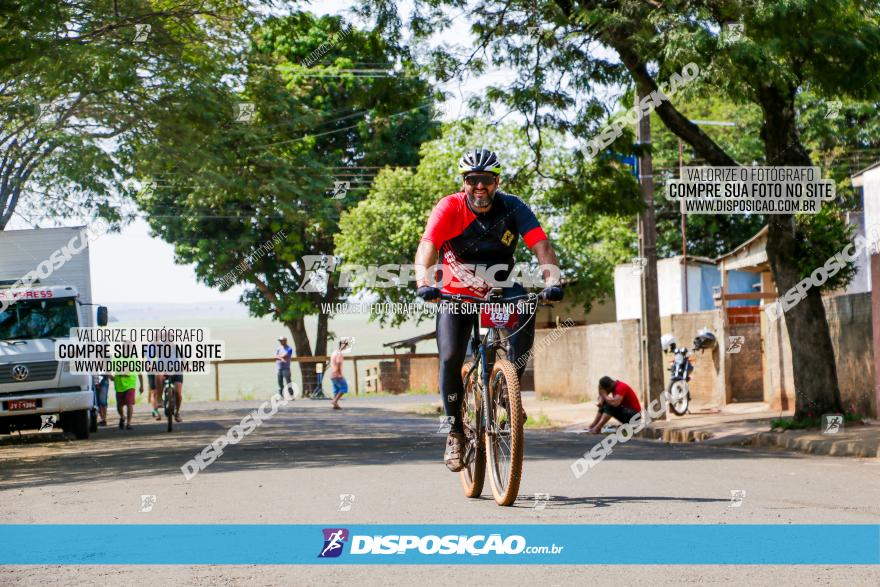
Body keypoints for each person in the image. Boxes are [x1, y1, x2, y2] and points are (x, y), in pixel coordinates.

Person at [414, 148, 563, 472]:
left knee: (526, 307)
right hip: (455, 289)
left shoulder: (513, 207)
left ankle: (508, 393)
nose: (480, 187)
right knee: (451, 356)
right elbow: (427, 246)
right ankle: (455, 432)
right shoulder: (449, 207)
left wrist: (552, 279)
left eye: (486, 180)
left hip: (500, 284)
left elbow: (541, 245)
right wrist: (423, 282)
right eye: (473, 180)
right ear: (464, 182)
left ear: (497, 181)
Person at [111, 362, 144, 430]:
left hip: (130, 385)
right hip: (119, 385)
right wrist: (110, 375)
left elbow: (139, 372)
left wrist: (141, 385)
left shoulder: (134, 359)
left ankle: (128, 423)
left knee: (129, 404)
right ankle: (122, 417)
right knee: (119, 407)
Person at [329, 339, 350, 410]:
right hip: (337, 374)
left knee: (336, 389)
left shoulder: (334, 352)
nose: (346, 347)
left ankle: (335, 405)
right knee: (344, 387)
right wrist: (340, 374)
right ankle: (334, 401)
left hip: (332, 374)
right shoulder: (339, 354)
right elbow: (338, 364)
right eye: (345, 345)